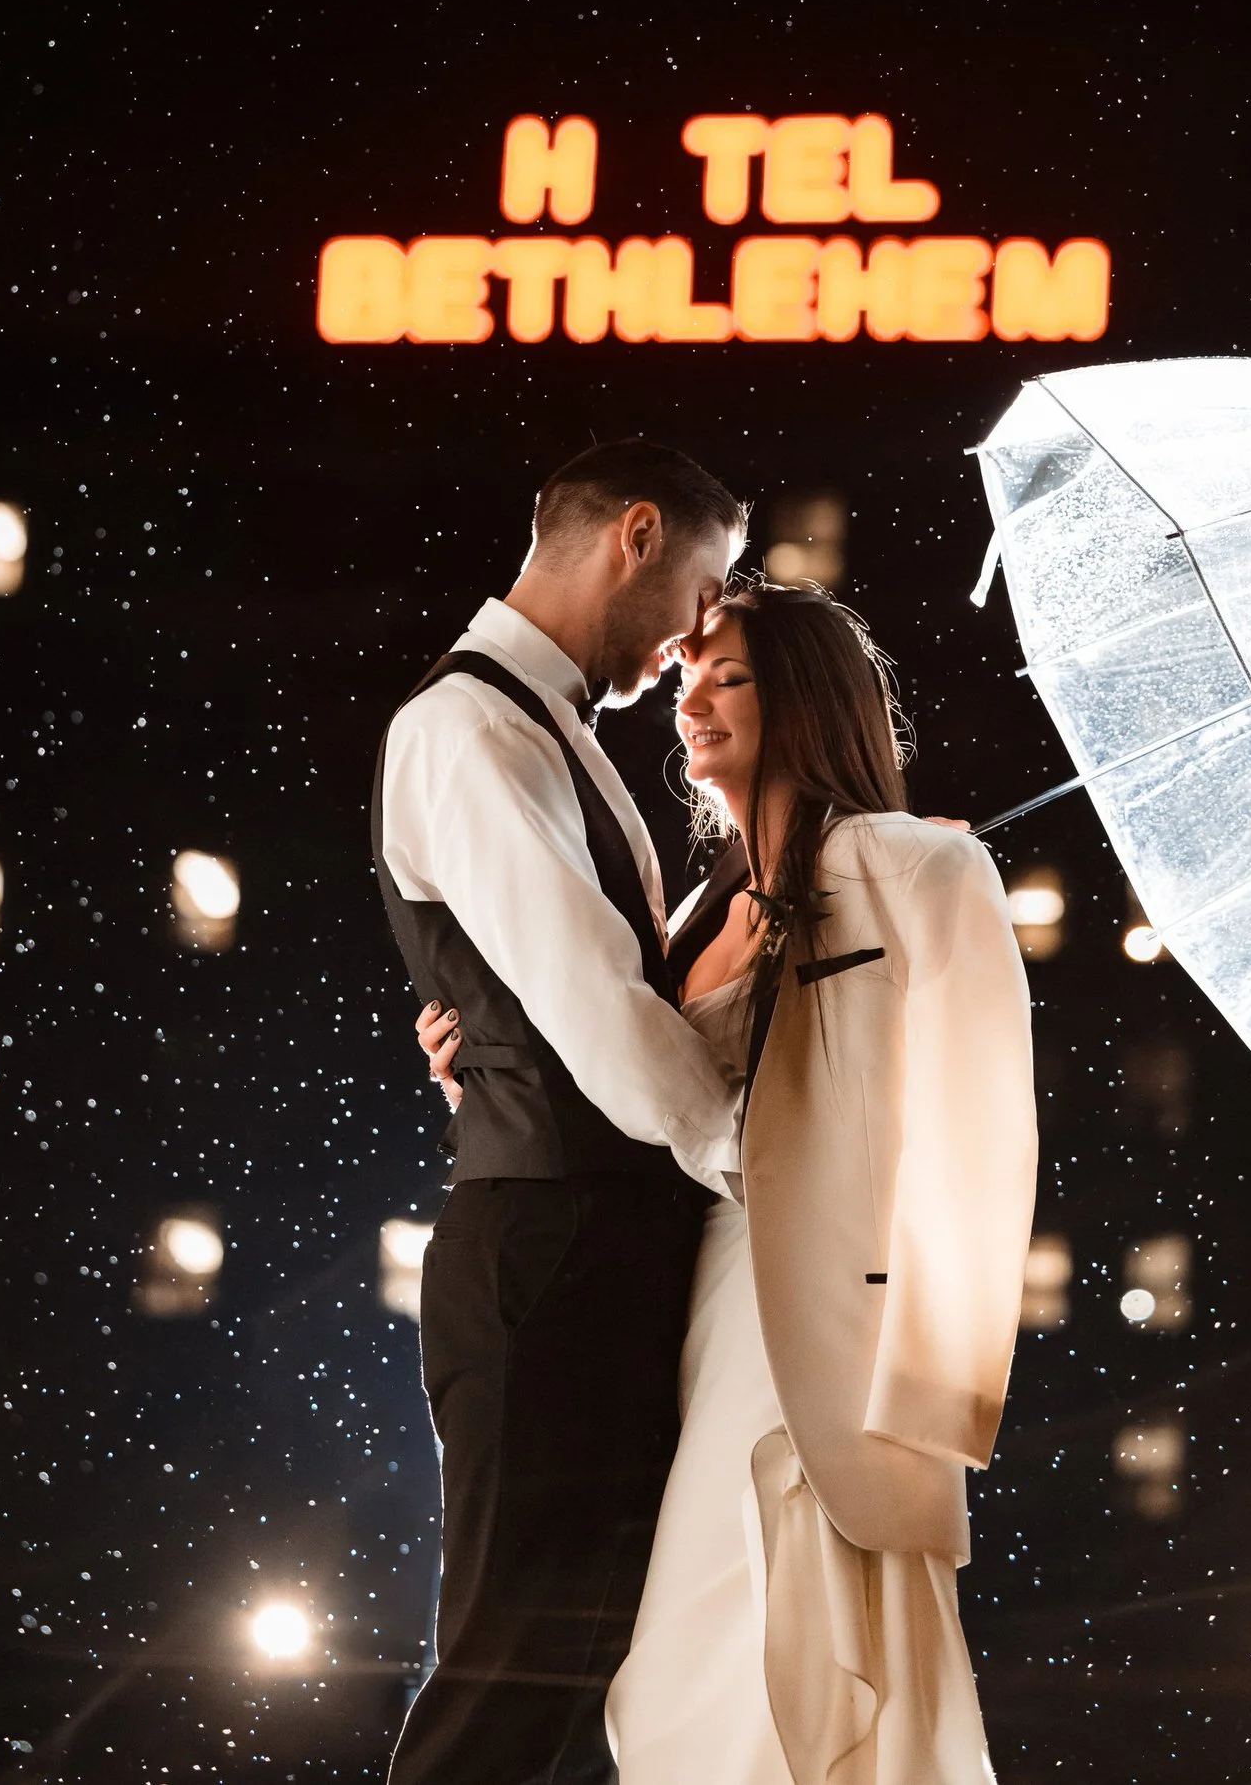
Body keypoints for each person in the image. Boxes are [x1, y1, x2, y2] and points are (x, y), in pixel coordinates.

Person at [606, 581, 1037, 1785]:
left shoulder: (912, 864)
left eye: (729, 677)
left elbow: (979, 1138)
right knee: (678, 1667)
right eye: (686, 681)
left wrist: (927, 1398)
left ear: (809, 696)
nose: (692, 702)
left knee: (763, 1640)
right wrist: (474, 1067)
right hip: (694, 1302)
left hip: (830, 1326)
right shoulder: (694, 911)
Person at [373, 438, 747, 1785]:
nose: (699, 634)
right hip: (553, 1247)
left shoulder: (538, 727)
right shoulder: (467, 725)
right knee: (510, 1683)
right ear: (635, 535)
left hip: (588, 1243)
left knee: (575, 1678)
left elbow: (551, 986)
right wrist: (750, 1159)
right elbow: (589, 996)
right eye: (707, 587)